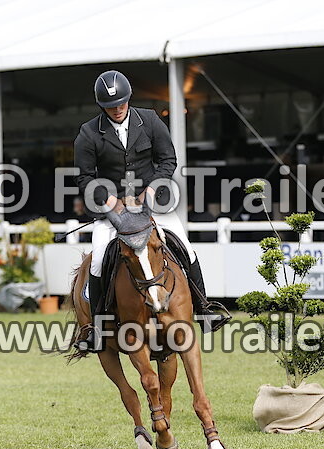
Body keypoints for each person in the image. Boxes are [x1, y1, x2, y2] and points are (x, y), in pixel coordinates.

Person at [73, 70, 230, 351]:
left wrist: (151, 189)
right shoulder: (88, 133)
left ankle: (204, 310)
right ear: (101, 106)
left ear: (128, 99)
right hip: (113, 210)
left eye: (121, 103)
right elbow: (84, 178)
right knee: (97, 259)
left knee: (186, 247)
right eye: (111, 106)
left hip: (152, 204)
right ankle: (96, 329)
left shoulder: (150, 120)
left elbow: (167, 159)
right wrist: (111, 202)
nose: (118, 109)